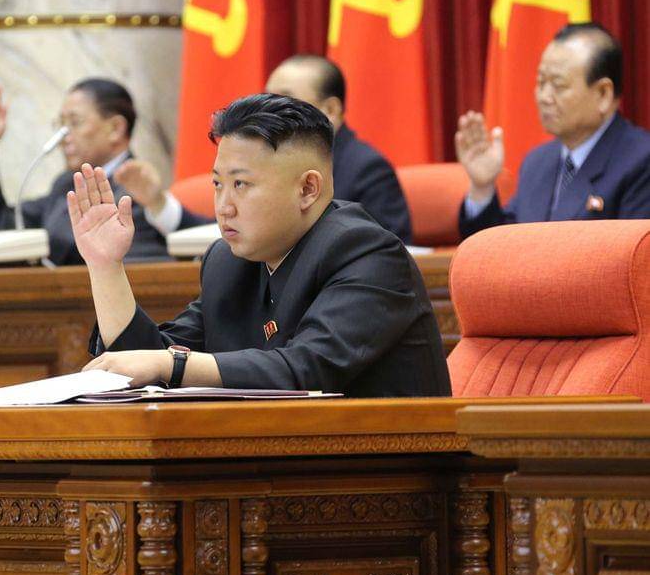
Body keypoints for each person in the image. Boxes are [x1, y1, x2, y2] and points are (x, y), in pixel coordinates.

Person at [68, 94, 450, 397]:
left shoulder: (365, 252)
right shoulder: (228, 262)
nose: (223, 206)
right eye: (217, 184)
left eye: (241, 184)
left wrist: (173, 365)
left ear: (308, 188)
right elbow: (145, 361)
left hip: (381, 464)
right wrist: (105, 266)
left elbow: (306, 369)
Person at [118, 55, 413, 243]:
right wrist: (158, 203)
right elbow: (238, 227)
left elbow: (387, 251)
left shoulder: (366, 168)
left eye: (285, 99)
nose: (270, 109)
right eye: (267, 97)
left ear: (331, 110)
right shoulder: (262, 163)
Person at [457, 22, 650, 238]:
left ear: (603, 94)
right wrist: (482, 187)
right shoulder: (537, 163)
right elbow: (501, 245)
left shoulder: (641, 161)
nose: (544, 97)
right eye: (541, 82)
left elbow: (634, 254)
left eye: (558, 85)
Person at [0, 78, 174, 265]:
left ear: (115, 128)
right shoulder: (66, 185)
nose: (62, 136)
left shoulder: (139, 192)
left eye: (75, 123)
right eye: (61, 124)